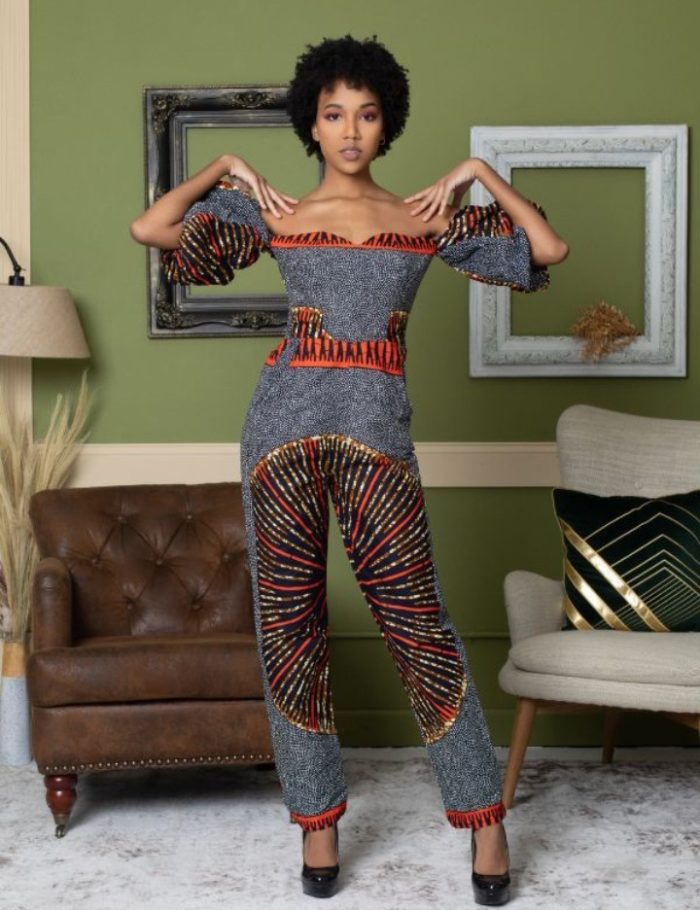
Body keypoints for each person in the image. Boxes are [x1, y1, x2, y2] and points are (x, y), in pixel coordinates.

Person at [130, 33, 568, 905]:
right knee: (288, 626)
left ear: (386, 123)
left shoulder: (423, 216)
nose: (351, 131)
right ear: (312, 124)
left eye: (366, 115)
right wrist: (225, 166)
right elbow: (153, 228)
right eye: (334, 115)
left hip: (378, 435)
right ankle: (317, 820)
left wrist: (479, 171)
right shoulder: (279, 213)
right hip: (279, 433)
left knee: (419, 624)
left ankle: (484, 819)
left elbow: (546, 250)